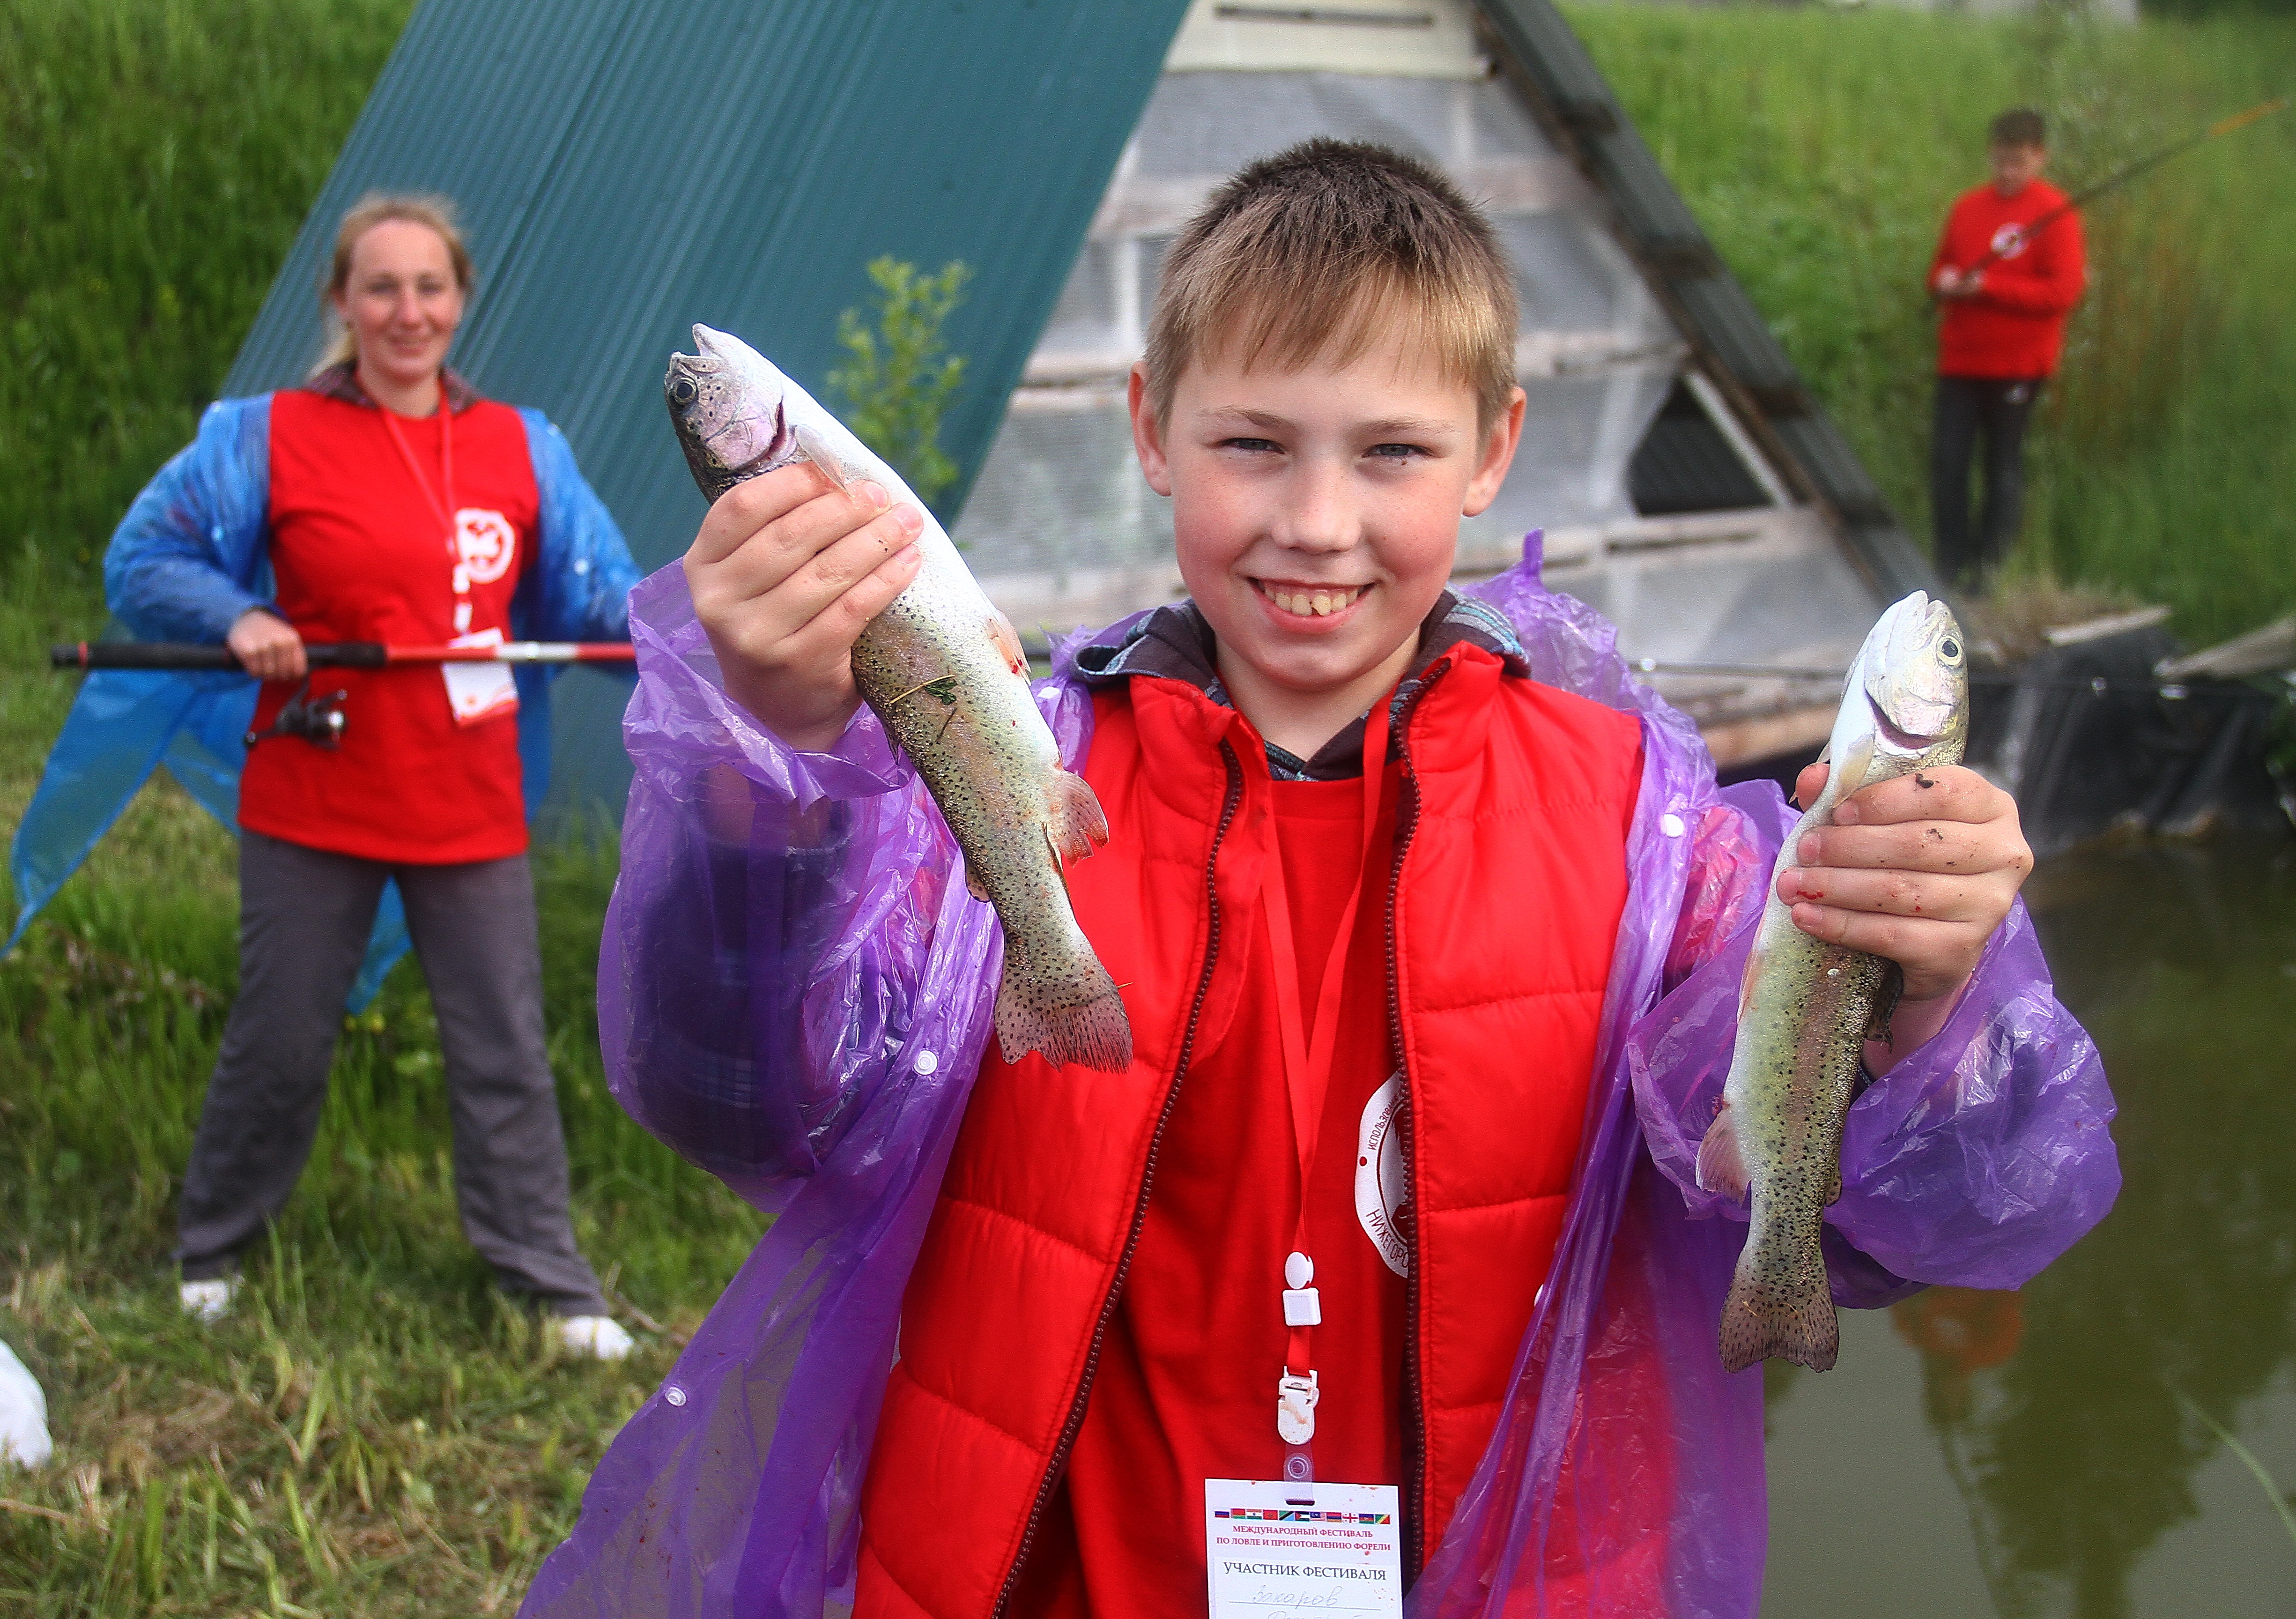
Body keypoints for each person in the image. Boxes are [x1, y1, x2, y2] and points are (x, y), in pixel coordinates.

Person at [523, 142, 2117, 1615]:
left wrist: (1925, 998)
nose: (1317, 521)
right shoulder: (990, 781)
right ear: (1151, 427)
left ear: (1494, 449)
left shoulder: (1658, 832)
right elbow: (737, 1097)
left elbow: (1875, 1229)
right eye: (1253, 444)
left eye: (1393, 451)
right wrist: (771, 774)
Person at [102, 194, 642, 1359]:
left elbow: (603, 601)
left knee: (501, 1040)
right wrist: (237, 612)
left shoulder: (522, 443)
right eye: (382, 287)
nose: (409, 312)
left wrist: (712, 616)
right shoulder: (265, 432)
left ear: (460, 300)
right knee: (284, 1031)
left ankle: (547, 1278)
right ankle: (213, 1245)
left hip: (469, 794)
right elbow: (144, 558)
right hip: (316, 781)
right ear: (340, 302)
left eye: (430, 287)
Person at [1927, 107, 2087, 590]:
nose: (2007, 172)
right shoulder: (1967, 207)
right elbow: (1938, 271)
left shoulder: (2056, 214)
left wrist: (1990, 287)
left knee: (2002, 466)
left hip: (2019, 365)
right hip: (1962, 359)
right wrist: (1948, 281)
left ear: (2040, 157)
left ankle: (1989, 570)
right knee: (1948, 462)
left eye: (2018, 162)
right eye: (2000, 161)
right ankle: (1948, 563)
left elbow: (2063, 292)